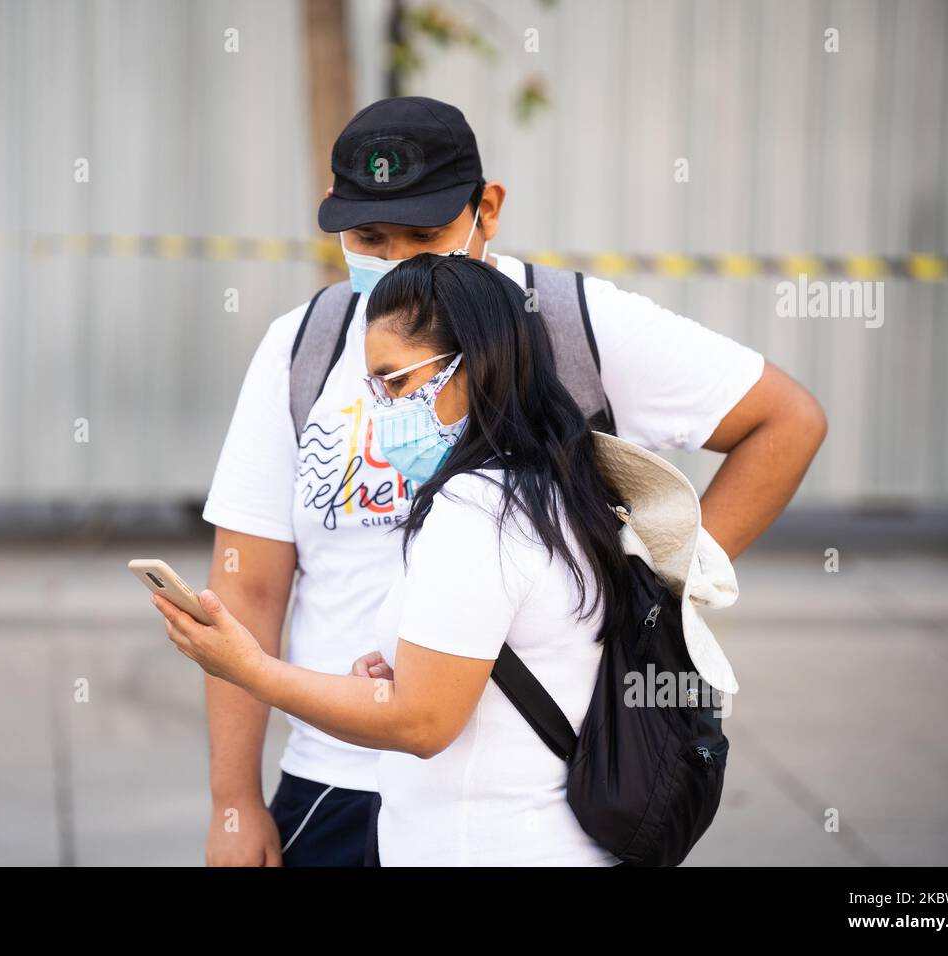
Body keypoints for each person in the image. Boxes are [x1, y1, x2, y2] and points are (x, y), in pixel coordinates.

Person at [195, 96, 826, 867]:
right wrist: (234, 801)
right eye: (369, 237)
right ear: (332, 220)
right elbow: (249, 587)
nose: (399, 263)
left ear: (486, 208)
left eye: (425, 235)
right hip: (337, 781)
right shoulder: (304, 348)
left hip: (531, 791)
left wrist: (647, 598)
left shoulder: (573, 325)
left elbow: (787, 422)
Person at [158, 253, 644, 864]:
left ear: (476, 365)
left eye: (396, 383)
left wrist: (248, 667)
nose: (384, 412)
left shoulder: (475, 510)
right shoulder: (555, 486)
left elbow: (420, 723)